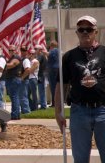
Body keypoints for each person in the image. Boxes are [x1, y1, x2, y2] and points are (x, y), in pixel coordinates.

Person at [55, 15, 105, 163]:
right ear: (77, 32)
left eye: (89, 29)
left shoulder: (104, 53)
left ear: (95, 32)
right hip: (79, 111)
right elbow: (61, 84)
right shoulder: (69, 57)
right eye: (81, 29)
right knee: (81, 159)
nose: (85, 32)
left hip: (103, 110)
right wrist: (58, 111)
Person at [5, 45, 23, 120]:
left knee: (14, 97)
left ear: (15, 51)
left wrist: (0, 64)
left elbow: (11, 65)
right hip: (11, 79)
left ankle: (15, 114)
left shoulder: (16, 58)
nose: (11, 51)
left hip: (14, 79)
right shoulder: (11, 58)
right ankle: (16, 114)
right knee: (14, 97)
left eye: (12, 50)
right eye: (10, 50)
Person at [19, 46, 31, 115]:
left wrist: (22, 77)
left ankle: (26, 111)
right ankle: (24, 110)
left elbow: (28, 70)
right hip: (22, 80)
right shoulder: (22, 59)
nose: (22, 52)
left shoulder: (26, 60)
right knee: (22, 96)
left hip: (24, 81)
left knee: (23, 96)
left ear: (26, 51)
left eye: (24, 50)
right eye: (21, 50)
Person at [47, 40, 59, 107]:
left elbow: (48, 54)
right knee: (58, 86)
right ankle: (58, 102)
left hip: (52, 70)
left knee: (53, 87)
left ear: (51, 46)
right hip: (58, 69)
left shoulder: (53, 51)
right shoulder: (59, 51)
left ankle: (54, 103)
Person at [35, 45, 48, 109]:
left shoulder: (41, 56)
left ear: (40, 50)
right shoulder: (40, 56)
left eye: (36, 49)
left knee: (41, 90)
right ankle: (43, 104)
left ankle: (43, 105)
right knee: (40, 90)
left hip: (41, 75)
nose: (35, 50)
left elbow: (36, 62)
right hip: (41, 75)